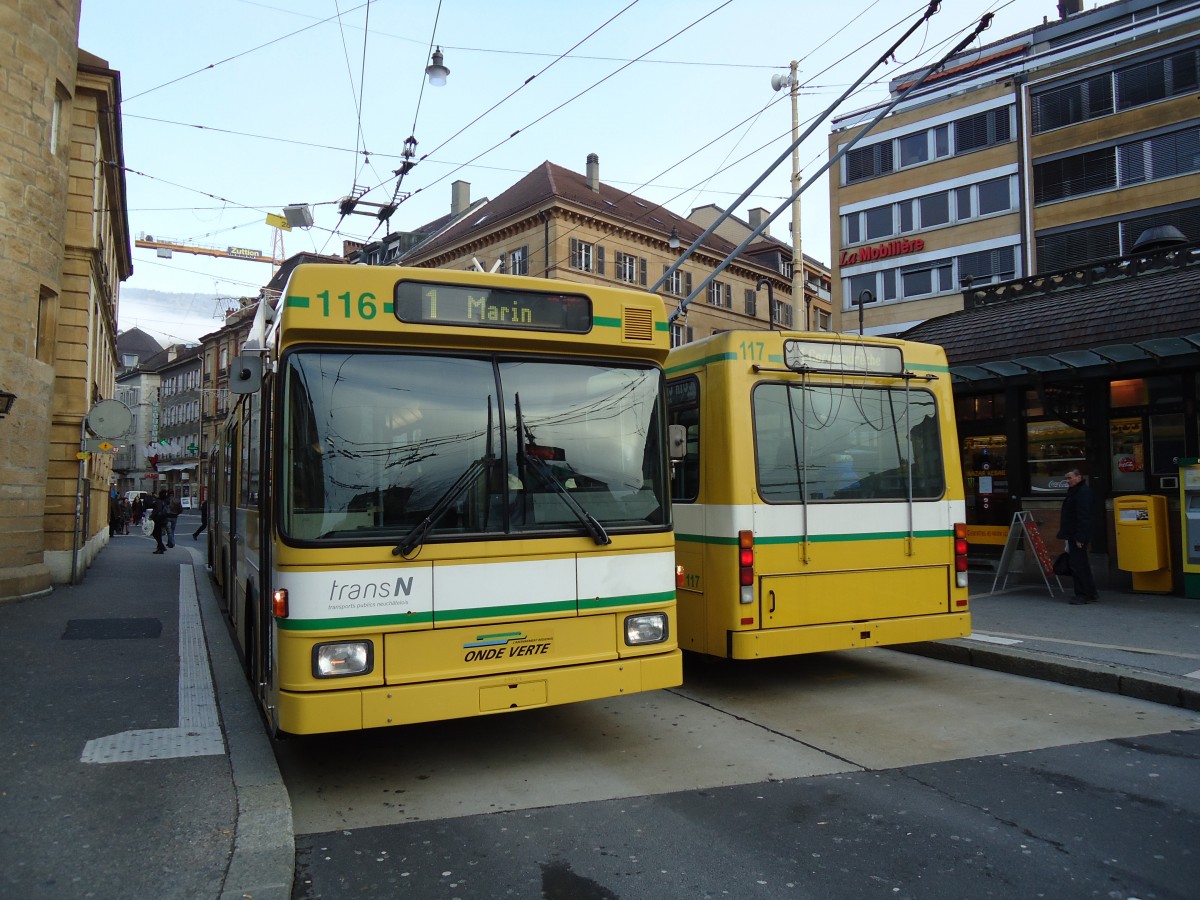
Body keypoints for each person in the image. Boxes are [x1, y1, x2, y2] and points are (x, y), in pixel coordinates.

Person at [1057, 468, 1098, 605]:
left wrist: (1080, 537)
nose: (1067, 481)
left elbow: (1084, 516)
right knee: (1081, 564)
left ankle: (1083, 594)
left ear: (1079, 477)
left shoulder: (1082, 493)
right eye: (1066, 478)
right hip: (1074, 534)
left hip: (1077, 535)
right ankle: (1090, 593)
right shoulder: (1077, 492)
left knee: (1078, 565)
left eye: (1070, 478)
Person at [150, 489, 169, 554]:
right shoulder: (165, 501)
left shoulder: (159, 501)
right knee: (158, 534)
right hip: (164, 519)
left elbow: (157, 510)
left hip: (158, 520)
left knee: (156, 534)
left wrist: (151, 517)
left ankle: (161, 547)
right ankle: (161, 547)